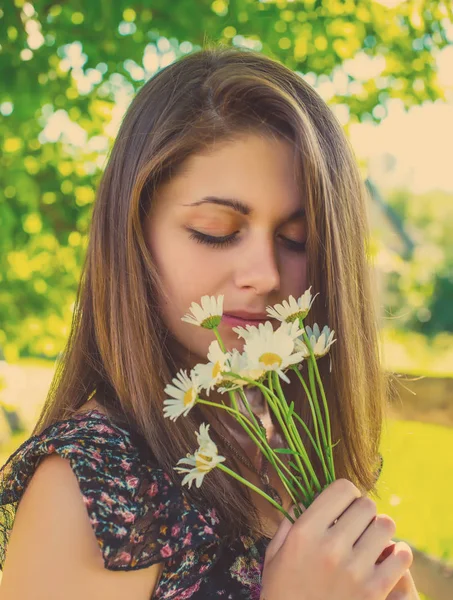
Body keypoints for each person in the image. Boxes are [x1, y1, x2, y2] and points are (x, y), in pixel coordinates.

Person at [0, 45, 419, 599]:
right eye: (217, 230)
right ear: (135, 235)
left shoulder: (293, 447)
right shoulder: (91, 490)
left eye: (298, 239)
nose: (265, 274)